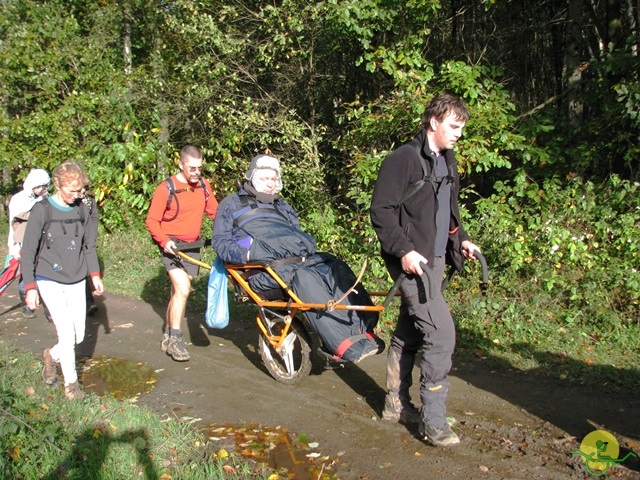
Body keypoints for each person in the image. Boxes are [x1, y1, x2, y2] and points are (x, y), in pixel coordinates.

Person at [370, 93, 481, 446]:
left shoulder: (447, 160)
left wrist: (461, 238)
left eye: (461, 128)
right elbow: (381, 212)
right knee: (441, 335)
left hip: (435, 261)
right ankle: (433, 422)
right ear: (434, 122)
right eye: (454, 126)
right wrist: (403, 250)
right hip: (412, 264)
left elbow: (449, 209)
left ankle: (395, 404)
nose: (458, 134)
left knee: (410, 331)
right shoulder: (402, 160)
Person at [213, 154, 383, 363]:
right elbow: (220, 241)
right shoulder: (231, 204)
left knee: (336, 268)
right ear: (252, 177)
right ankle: (343, 344)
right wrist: (248, 254)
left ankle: (364, 330)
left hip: (299, 262)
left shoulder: (282, 207)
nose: (270, 184)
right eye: (265, 179)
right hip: (263, 270)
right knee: (306, 279)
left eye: (274, 179)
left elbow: (296, 236)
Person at [21, 161, 104, 401]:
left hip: (76, 277)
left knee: (77, 336)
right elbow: (28, 252)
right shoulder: (42, 210)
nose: (78, 195)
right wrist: (30, 288)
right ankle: (72, 386)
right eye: (73, 191)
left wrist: (94, 275)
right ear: (57, 185)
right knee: (67, 334)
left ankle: (51, 355)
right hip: (48, 277)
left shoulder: (81, 208)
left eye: (80, 190)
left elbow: (88, 246)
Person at [145, 145, 218, 362]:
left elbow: (215, 211)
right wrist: (164, 241)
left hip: (192, 246)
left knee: (178, 292)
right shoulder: (166, 188)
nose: (196, 172)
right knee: (184, 289)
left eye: (199, 168)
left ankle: (168, 333)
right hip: (172, 246)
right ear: (181, 164)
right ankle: (176, 341)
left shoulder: (204, 186)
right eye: (192, 168)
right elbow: (151, 221)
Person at [7, 168, 51, 318]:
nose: (41, 190)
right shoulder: (18, 200)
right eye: (38, 187)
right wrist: (13, 246)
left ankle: (49, 308)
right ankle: (26, 304)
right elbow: (14, 225)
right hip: (24, 241)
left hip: (43, 240)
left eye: (44, 186)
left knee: (46, 271)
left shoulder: (46, 199)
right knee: (27, 272)